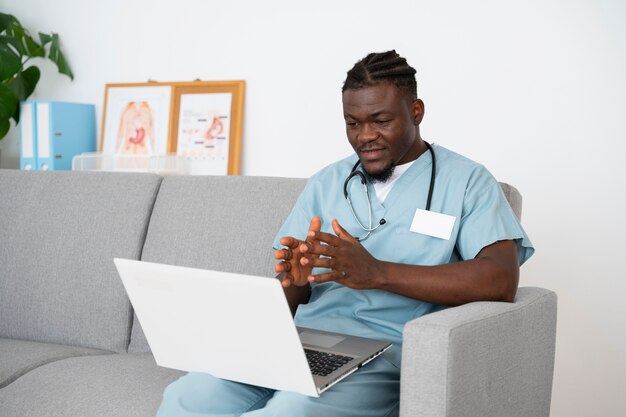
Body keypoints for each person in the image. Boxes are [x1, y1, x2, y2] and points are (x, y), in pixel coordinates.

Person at [156, 50, 534, 417]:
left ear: (416, 112)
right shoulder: (327, 182)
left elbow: (500, 279)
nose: (365, 136)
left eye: (381, 120)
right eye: (352, 123)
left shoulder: (467, 181)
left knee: (292, 409)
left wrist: (377, 272)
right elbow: (290, 295)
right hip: (298, 344)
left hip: (381, 354)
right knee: (187, 396)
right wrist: (295, 281)